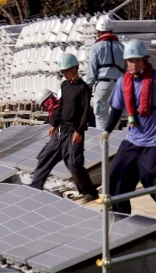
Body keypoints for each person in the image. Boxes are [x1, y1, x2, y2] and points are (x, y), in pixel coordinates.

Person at [101, 39, 156, 241]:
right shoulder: (122, 82)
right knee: (117, 177)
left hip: (155, 142)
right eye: (129, 61)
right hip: (132, 140)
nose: (133, 64)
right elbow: (116, 109)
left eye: (137, 60)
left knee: (155, 181)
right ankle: (121, 219)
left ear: (145, 60)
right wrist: (107, 131)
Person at [31, 54, 99, 201]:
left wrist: (79, 131)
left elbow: (85, 112)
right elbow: (60, 108)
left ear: (75, 69)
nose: (64, 74)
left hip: (74, 132)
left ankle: (89, 192)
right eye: (62, 72)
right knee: (45, 157)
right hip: (60, 131)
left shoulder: (83, 89)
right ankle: (35, 188)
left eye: (66, 71)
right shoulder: (64, 85)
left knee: (74, 164)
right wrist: (54, 124)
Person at [87, 16, 125, 130]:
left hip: (102, 85)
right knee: (115, 116)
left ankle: (102, 143)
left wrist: (88, 87)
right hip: (118, 85)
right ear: (111, 31)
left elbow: (91, 69)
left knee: (100, 117)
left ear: (99, 32)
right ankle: (113, 142)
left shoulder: (96, 47)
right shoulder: (122, 47)